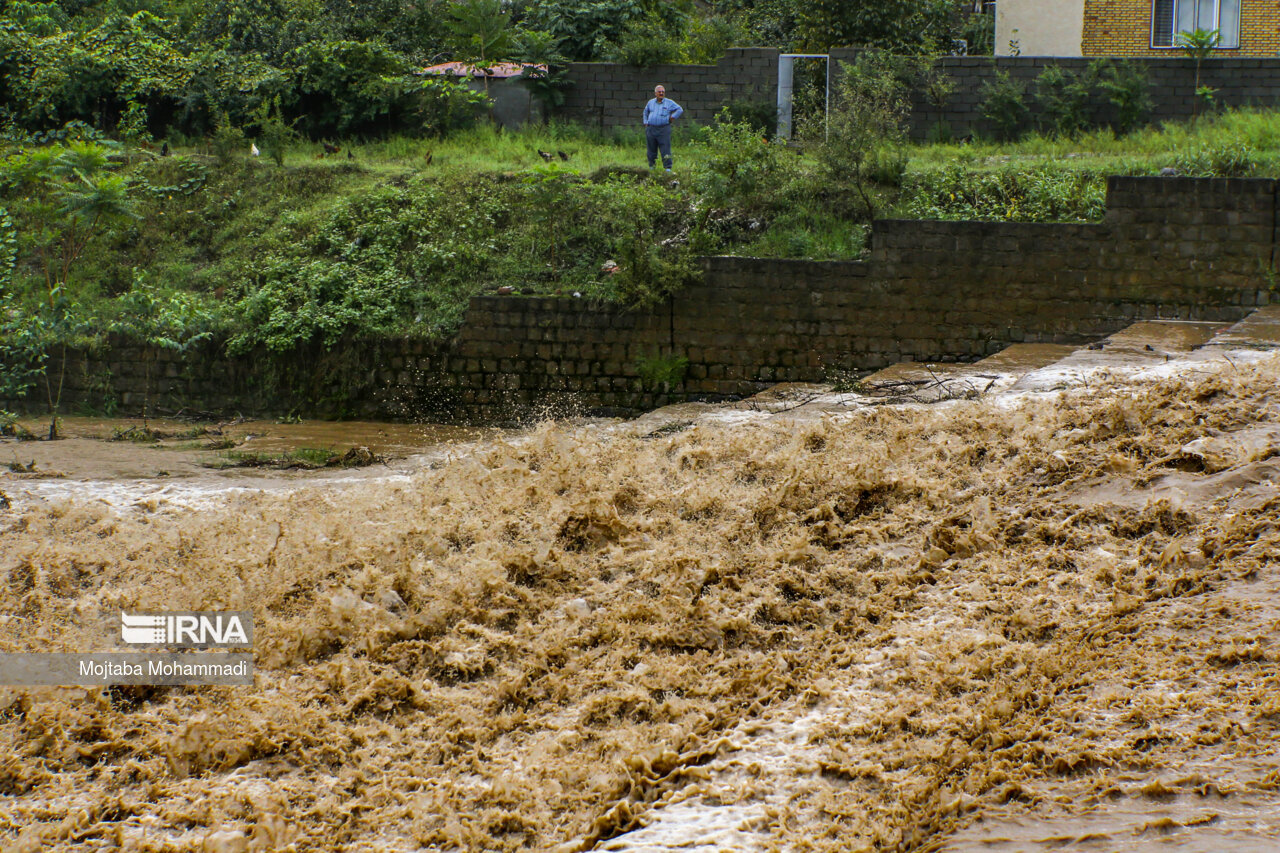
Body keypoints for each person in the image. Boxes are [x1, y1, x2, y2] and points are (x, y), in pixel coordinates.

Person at [642, 85, 683, 172]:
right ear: (655, 93)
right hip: (651, 129)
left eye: (663, 92)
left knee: (665, 149)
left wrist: (672, 117)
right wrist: (645, 122)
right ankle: (652, 167)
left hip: (663, 129)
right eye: (659, 92)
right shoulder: (650, 102)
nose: (661, 93)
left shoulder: (669, 103)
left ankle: (667, 169)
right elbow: (645, 112)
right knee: (651, 149)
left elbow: (680, 109)